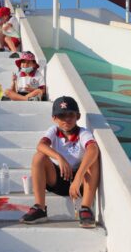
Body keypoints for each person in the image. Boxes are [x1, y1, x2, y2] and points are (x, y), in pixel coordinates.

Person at [19, 96, 100, 228]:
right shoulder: (54, 130)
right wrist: (59, 158)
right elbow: (40, 145)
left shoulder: (82, 133)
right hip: (58, 178)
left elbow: (93, 149)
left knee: (93, 159)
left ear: (78, 116)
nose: (66, 119)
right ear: (54, 118)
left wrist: (79, 177)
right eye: (61, 116)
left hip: (79, 183)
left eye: (70, 115)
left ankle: (85, 208)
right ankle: (40, 208)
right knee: (39, 156)